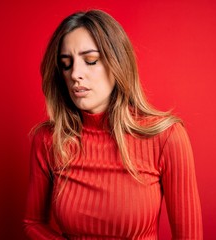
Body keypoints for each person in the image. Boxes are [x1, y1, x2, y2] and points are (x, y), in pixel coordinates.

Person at [23, 9, 203, 239]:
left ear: (118, 64)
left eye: (91, 61)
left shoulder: (166, 137)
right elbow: (32, 222)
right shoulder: (49, 139)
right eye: (66, 64)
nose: (76, 74)